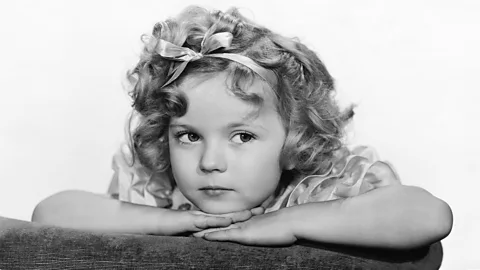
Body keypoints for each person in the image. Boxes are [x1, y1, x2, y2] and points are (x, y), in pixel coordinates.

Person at [32, 6, 452, 248]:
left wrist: (290, 222)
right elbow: (49, 214)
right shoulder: (162, 190)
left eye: (243, 136)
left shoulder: (315, 188)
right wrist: (162, 221)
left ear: (294, 136)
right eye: (189, 136)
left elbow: (429, 216)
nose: (211, 162)